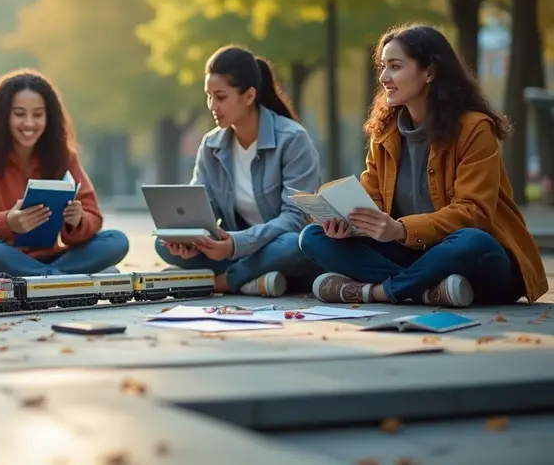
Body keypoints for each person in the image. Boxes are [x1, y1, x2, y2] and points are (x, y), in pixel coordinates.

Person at [298, 23, 548, 307]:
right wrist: (348, 223)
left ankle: (379, 291)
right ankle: (429, 290)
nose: (383, 77)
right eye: (383, 67)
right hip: (415, 255)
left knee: (471, 241)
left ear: (429, 72)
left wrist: (401, 229)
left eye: (395, 66)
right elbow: (373, 202)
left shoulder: (474, 128)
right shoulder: (385, 132)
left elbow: (473, 213)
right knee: (313, 237)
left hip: (474, 257)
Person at [155, 46, 323, 297]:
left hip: (277, 244)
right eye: (209, 96)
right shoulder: (211, 145)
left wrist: (236, 244)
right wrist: (190, 239)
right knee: (163, 244)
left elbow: (295, 219)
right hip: (234, 250)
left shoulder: (292, 139)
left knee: (295, 244)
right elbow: (202, 208)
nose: (212, 105)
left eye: (221, 97)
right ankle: (256, 279)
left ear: (249, 96)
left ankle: (226, 280)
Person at [0, 69, 129, 293]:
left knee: (116, 240)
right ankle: (64, 279)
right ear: (3, 117)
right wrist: (8, 222)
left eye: (38, 114)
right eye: (19, 114)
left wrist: (77, 220)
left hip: (49, 258)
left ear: (49, 118)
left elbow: (93, 215)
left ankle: (43, 280)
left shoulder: (63, 157)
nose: (29, 123)